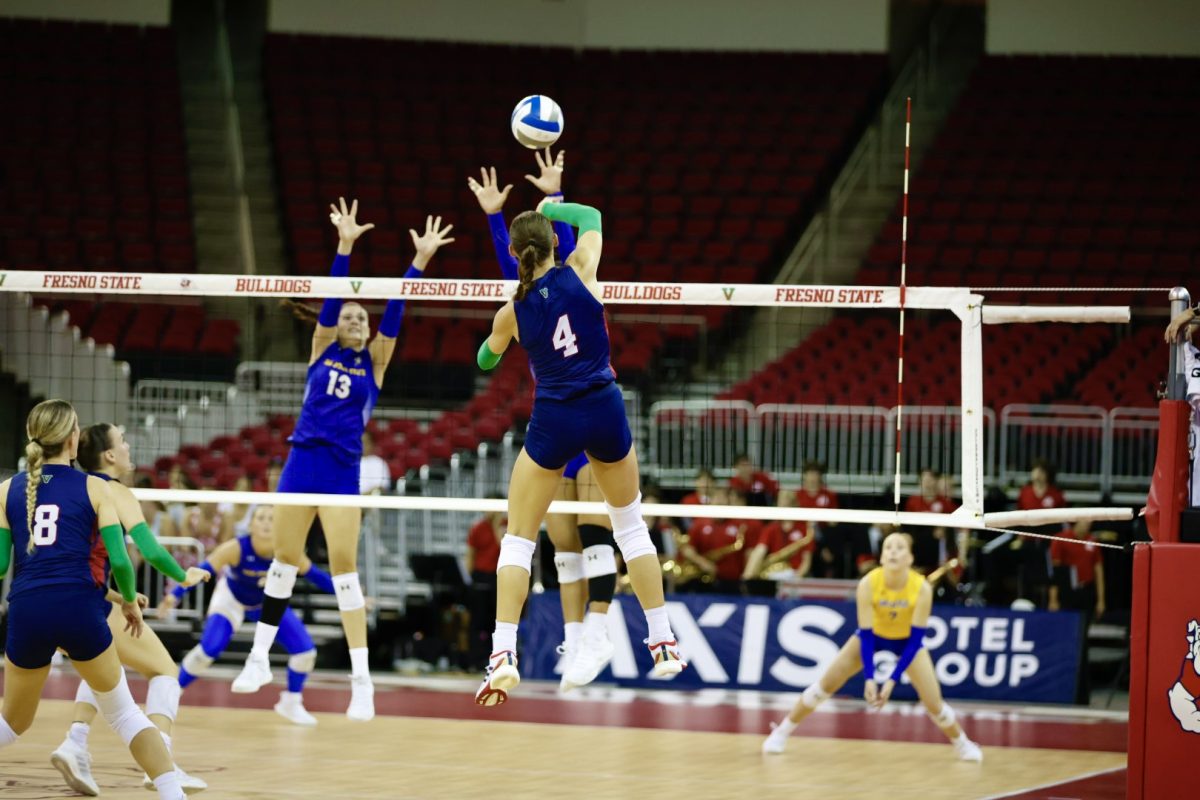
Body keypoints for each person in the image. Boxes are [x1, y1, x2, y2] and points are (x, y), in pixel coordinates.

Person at [232, 198, 454, 721]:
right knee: (283, 563)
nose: (355, 320)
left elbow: (396, 312)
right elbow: (334, 300)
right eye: (349, 315)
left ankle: (362, 682)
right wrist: (345, 247)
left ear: (369, 330)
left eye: (362, 317)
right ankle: (260, 658)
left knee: (347, 572)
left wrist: (417, 262)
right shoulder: (322, 346)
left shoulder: (375, 363)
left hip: (339, 472)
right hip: (301, 463)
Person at [473, 198, 685, 705]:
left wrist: (501, 333)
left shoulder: (514, 311)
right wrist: (556, 205)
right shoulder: (582, 269)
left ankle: (504, 653)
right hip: (604, 406)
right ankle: (663, 642)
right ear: (552, 245)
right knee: (631, 528)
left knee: (519, 541)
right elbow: (593, 220)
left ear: (515, 252)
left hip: (555, 418)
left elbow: (485, 360)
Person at [468, 151, 619, 691]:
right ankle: (576, 640)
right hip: (563, 417)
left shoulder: (566, 275)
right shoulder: (534, 285)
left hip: (580, 406)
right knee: (562, 546)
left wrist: (551, 200)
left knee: (597, 530)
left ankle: (600, 631)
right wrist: (519, 210)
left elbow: (547, 250)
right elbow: (527, 261)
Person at [0, 400, 190, 800]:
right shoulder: (96, 487)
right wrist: (130, 604)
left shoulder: (6, 490)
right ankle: (173, 793)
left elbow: (1, 565)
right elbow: (119, 559)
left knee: (13, 723)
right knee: (123, 713)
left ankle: (76, 741)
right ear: (72, 440)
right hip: (80, 607)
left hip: (28, 609)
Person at [49, 423, 211, 795]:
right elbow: (149, 550)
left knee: (106, 670)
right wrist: (183, 575)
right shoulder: (113, 490)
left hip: (60, 601)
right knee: (165, 670)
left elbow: (75, 563)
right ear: (109, 455)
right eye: (121, 441)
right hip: (88, 605)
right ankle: (161, 763)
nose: (127, 446)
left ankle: (75, 741)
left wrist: (118, 597)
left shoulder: (72, 489)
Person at [762, 532, 983, 762]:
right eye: (888, 548)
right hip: (874, 637)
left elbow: (916, 640)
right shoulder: (868, 583)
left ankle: (962, 743)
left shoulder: (922, 588)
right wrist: (870, 677)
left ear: (910, 557)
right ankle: (781, 732)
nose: (893, 552)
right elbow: (866, 635)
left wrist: (891, 680)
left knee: (934, 704)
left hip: (907, 642)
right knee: (824, 687)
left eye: (899, 548)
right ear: (881, 557)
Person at [162, 505, 335, 725]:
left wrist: (352, 597)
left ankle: (291, 701)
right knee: (209, 650)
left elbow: (317, 576)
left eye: (272, 519)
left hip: (267, 604)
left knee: (306, 653)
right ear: (251, 524)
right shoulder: (235, 548)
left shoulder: (289, 551)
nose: (265, 522)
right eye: (261, 517)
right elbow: (204, 569)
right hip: (232, 598)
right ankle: (173, 690)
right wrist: (174, 595)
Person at [1048, 519, 1106, 704]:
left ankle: (1082, 690)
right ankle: (1061, 685)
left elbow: (1098, 570)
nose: (1087, 525)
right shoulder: (1061, 539)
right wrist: (1053, 599)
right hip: (1067, 593)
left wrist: (1101, 599)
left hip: (1086, 592)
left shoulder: (1092, 541)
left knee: (1082, 640)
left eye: (1090, 522)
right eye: (1084, 521)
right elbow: (1055, 573)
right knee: (1066, 638)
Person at [743, 489, 816, 581]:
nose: (784, 508)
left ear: (794, 505)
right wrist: (748, 575)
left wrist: (796, 579)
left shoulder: (805, 530)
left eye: (787, 505)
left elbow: (806, 561)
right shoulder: (771, 528)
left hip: (795, 575)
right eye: (781, 505)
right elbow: (760, 550)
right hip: (773, 573)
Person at [359, 431, 390, 495]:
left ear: (372, 444)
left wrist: (360, 497)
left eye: (366, 443)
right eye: (361, 442)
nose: (363, 446)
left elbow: (381, 487)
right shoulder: (347, 462)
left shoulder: (379, 463)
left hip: (370, 501)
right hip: (347, 500)